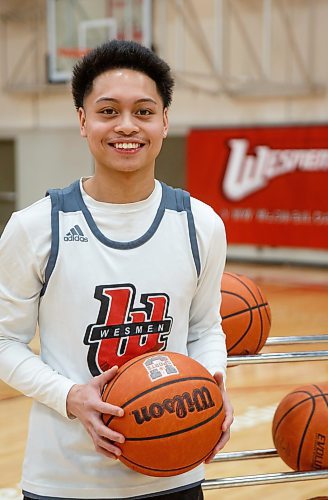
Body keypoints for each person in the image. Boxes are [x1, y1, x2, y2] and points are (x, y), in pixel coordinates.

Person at [0, 39, 233, 500]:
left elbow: (206, 328)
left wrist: (212, 384)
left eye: (144, 112)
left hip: (177, 473)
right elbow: (4, 341)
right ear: (83, 121)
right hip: (65, 481)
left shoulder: (200, 224)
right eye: (108, 111)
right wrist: (70, 396)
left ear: (165, 121)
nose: (127, 125)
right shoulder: (35, 228)